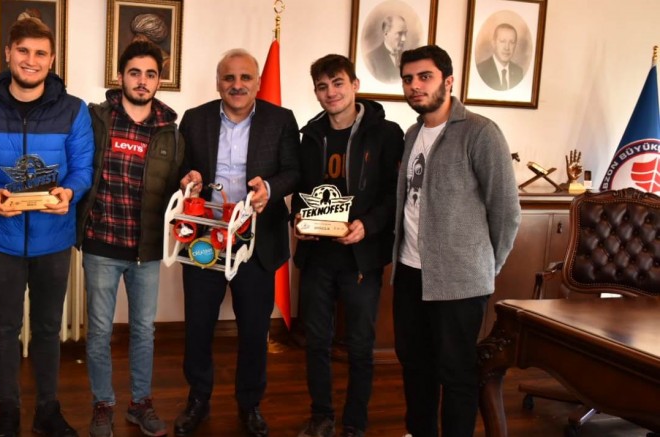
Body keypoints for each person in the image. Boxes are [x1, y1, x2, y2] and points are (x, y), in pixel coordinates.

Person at [0, 18, 94, 437]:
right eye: (23, 51)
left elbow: (83, 170)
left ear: (51, 60)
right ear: (8, 53)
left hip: (55, 240)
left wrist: (70, 192)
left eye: (40, 53)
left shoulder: (74, 109)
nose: (31, 60)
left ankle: (47, 410)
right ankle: (8, 412)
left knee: (49, 329)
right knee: (4, 329)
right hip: (0, 240)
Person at [394, 45, 521, 437]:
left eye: (425, 77)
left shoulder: (480, 132)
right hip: (410, 271)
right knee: (415, 367)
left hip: (460, 280)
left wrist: (485, 267)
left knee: (456, 373)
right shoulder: (413, 133)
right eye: (408, 79)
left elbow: (506, 210)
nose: (415, 86)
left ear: (448, 81)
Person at [173, 49, 299, 437]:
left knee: (254, 330)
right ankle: (198, 399)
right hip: (205, 238)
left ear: (258, 83)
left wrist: (270, 190)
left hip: (256, 239)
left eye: (245, 77)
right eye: (229, 78)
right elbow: (179, 168)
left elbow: (294, 171)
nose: (237, 85)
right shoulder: (194, 119)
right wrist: (188, 178)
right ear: (218, 82)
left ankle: (250, 404)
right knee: (198, 326)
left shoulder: (281, 120)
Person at [76, 40, 184, 437]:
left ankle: (140, 403)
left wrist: (189, 181)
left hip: (146, 250)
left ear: (159, 80)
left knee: (143, 331)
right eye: (134, 72)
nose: (142, 81)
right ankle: (102, 404)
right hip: (101, 244)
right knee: (100, 332)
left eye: (150, 74)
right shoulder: (96, 119)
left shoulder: (170, 131)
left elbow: (176, 186)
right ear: (120, 76)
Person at [293, 55, 404, 437]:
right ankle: (321, 416)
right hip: (317, 257)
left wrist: (368, 226)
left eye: (338, 83)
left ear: (355, 85)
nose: (331, 93)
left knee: (359, 345)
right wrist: (298, 220)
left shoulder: (386, 133)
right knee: (316, 343)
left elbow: (394, 194)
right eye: (322, 87)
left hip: (361, 257)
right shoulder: (310, 135)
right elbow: (302, 189)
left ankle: (355, 422)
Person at [476, 24, 524, 90]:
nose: (507, 47)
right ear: (494, 43)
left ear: (515, 45)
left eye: (512, 42)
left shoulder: (518, 72)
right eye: (502, 41)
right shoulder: (481, 70)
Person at [129, 13, 172, 79]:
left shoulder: (167, 65)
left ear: (151, 39)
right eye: (135, 36)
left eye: (139, 37)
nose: (134, 40)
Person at [365, 15, 407, 83]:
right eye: (399, 33)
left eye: (405, 33)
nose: (404, 39)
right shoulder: (370, 59)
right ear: (386, 34)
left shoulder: (407, 58)